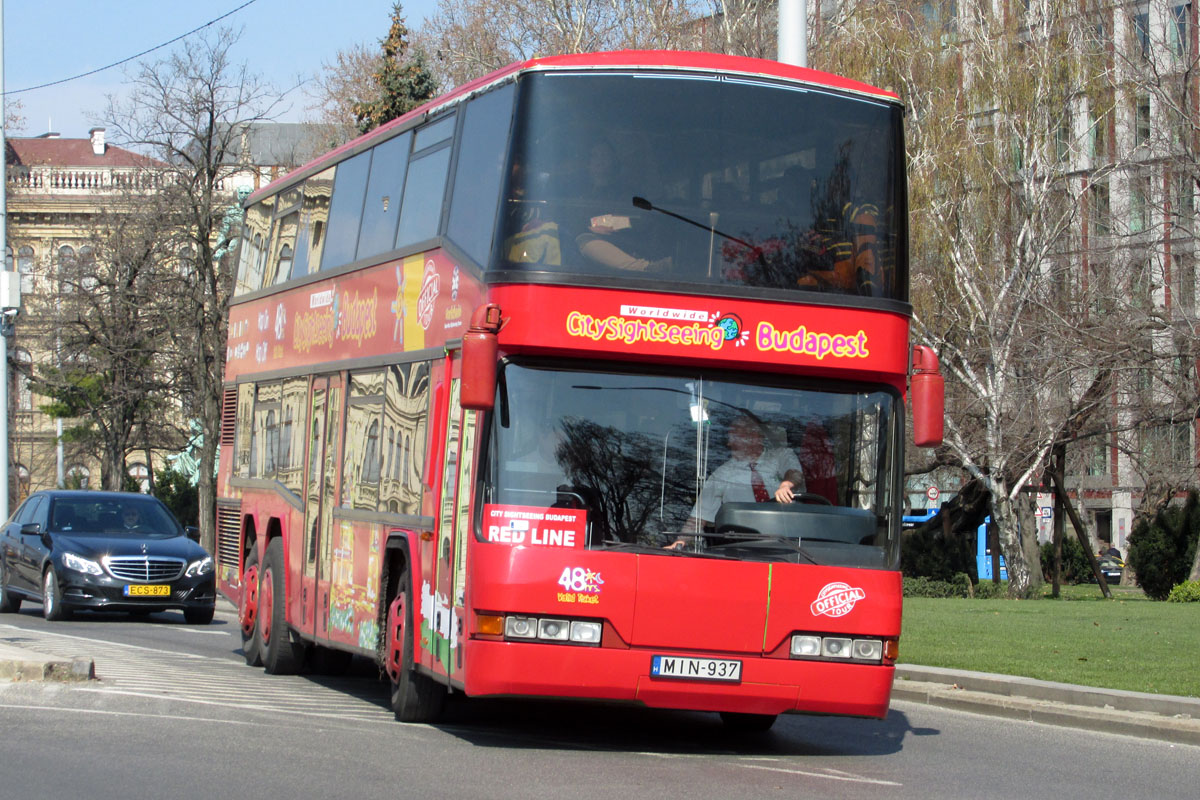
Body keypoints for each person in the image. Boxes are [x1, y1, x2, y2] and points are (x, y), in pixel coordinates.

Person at [668, 416, 806, 548]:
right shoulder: (722, 474)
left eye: (737, 436)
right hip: (744, 547)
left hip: (791, 544)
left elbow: (795, 473)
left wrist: (786, 484)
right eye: (732, 437)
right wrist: (680, 541)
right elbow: (699, 516)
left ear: (757, 437)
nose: (730, 443)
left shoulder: (781, 455)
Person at [574, 140, 671, 273]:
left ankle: (646, 267)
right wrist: (590, 226)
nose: (599, 160)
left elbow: (643, 219)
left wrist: (610, 223)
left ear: (614, 161)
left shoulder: (628, 192)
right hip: (581, 259)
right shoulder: (576, 192)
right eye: (595, 155)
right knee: (583, 239)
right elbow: (566, 219)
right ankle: (643, 267)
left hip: (624, 242)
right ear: (587, 163)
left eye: (604, 155)